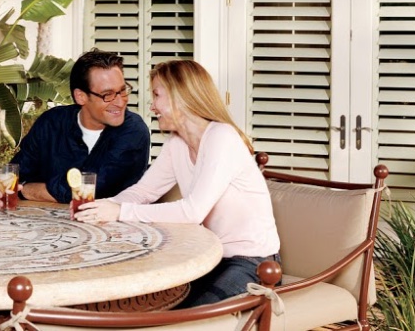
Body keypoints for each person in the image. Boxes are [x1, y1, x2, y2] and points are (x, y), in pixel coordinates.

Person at [74, 59, 280, 306]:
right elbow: (144, 191)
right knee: (139, 303)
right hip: (207, 257)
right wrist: (99, 206)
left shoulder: (222, 137)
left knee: (185, 318)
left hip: (252, 261)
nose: (152, 107)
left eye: (157, 95)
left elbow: (193, 212)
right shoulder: (177, 142)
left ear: (181, 97)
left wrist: (119, 211)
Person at [0, 49, 151, 210]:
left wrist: (24, 189)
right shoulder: (52, 122)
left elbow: (86, 189)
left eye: (122, 91)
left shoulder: (134, 131)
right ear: (81, 96)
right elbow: (15, 171)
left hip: (115, 232)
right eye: (107, 95)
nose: (120, 102)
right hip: (47, 229)